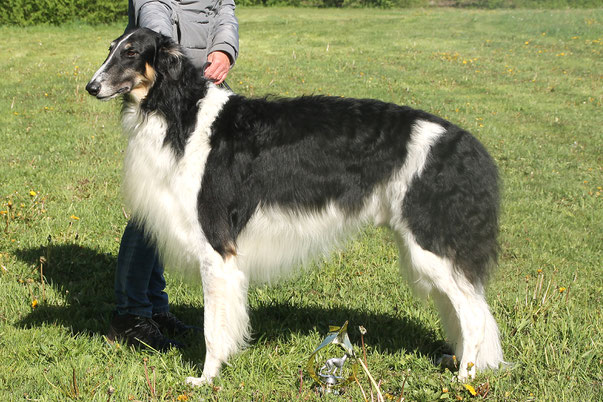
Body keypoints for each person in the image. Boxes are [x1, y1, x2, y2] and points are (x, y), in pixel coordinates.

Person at [108, 0, 239, 351]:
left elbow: (223, 8)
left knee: (180, 202)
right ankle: (131, 314)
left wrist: (225, 49)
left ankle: (154, 307)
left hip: (201, 91)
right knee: (152, 206)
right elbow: (152, 10)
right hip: (164, 88)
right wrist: (168, 56)